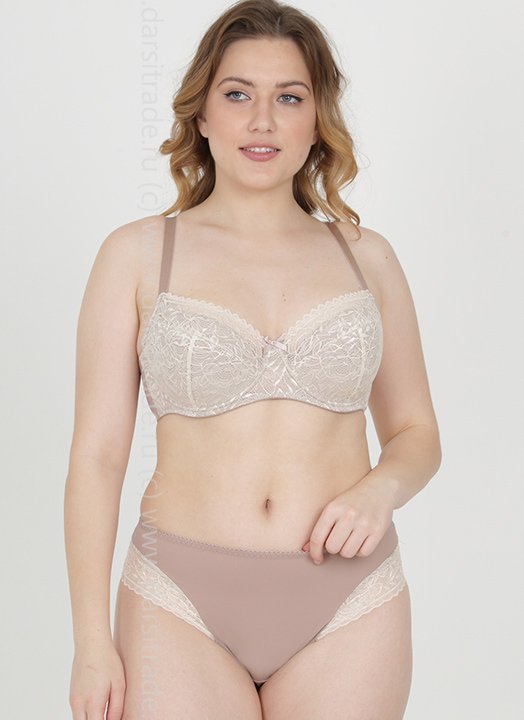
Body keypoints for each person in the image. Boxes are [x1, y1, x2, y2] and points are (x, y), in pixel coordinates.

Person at [64, 1, 442, 718]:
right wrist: (90, 640)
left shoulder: (368, 259)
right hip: (176, 598)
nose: (262, 121)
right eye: (237, 94)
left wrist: (380, 490)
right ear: (202, 115)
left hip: (351, 598)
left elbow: (417, 432)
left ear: (317, 119)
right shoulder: (136, 255)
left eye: (289, 97)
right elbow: (97, 457)